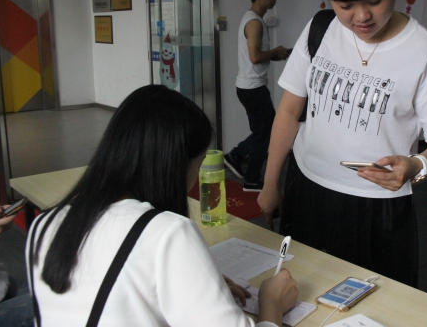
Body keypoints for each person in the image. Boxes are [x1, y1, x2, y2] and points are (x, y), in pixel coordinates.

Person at [257, 0, 427, 287]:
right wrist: (270, 183)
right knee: (300, 292)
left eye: (375, 0)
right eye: (345, 5)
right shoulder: (320, 29)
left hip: (376, 205)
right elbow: (289, 111)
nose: (361, 17)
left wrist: (416, 166)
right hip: (307, 188)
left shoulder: (424, 52)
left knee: (377, 303)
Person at [26, 85, 298, 326]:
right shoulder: (167, 232)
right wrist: (272, 302)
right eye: (198, 164)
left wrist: (195, 289)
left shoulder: (44, 224)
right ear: (175, 166)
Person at [224, 0, 291, 192]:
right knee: (265, 133)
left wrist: (278, 54)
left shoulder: (254, 19)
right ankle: (250, 178)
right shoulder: (254, 23)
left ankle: (236, 158)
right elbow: (255, 57)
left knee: (264, 131)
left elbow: (257, 55)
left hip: (250, 87)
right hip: (252, 88)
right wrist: (275, 51)